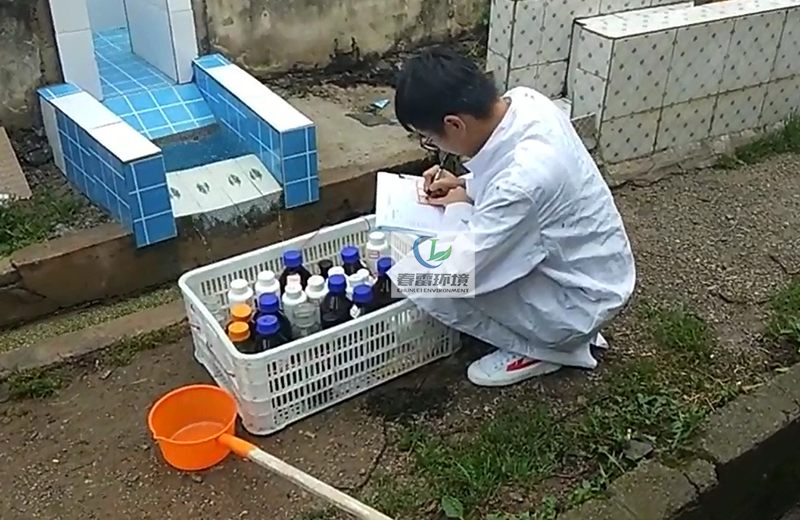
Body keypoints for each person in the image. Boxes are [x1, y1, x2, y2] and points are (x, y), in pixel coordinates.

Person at [392, 46, 637, 387]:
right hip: (593, 271)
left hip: (574, 305)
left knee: (426, 281)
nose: (432, 145)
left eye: (429, 138)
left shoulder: (522, 182)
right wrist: (464, 185)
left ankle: (544, 348)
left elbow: (458, 274)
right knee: (435, 262)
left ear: (454, 124)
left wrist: (454, 210)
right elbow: (507, 176)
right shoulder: (525, 101)